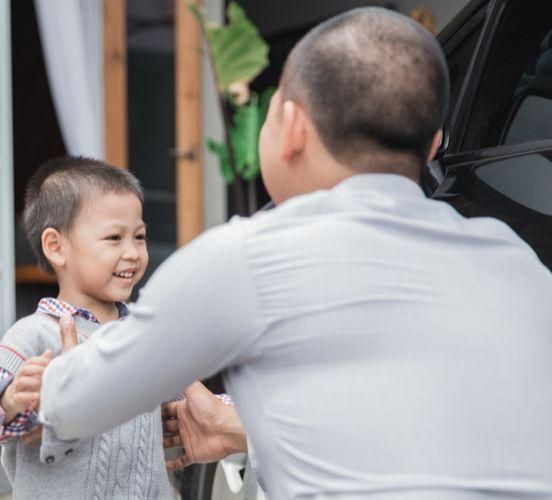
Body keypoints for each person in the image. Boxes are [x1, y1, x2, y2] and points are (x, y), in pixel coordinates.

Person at [38, 8, 552, 498]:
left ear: (294, 128)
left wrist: (65, 364)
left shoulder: (246, 259)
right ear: (436, 143)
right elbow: (425, 434)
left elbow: (71, 405)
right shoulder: (513, 260)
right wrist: (238, 431)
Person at [0, 156, 177, 499]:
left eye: (140, 236)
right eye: (113, 238)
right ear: (56, 247)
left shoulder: (145, 332)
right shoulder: (34, 335)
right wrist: (14, 396)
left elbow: (187, 405)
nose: (133, 252)